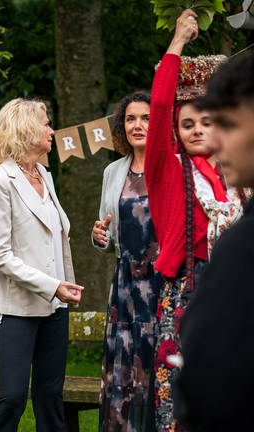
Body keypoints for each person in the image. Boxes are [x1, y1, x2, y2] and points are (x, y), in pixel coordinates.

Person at [144, 10, 246, 432]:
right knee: (183, 398)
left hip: (236, 289)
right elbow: (162, 103)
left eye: (207, 121)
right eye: (187, 124)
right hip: (186, 292)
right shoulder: (167, 169)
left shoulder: (236, 175)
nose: (197, 130)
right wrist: (178, 43)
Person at [0, 98, 84, 431]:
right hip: (16, 307)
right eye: (45, 123)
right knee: (11, 396)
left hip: (55, 306)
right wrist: (52, 285)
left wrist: (62, 286)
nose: (51, 130)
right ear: (24, 129)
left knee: (50, 394)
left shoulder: (44, 175)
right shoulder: (0, 181)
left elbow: (52, 241)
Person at [173, 50, 254, 432]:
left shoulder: (244, 246)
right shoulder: (176, 172)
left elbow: (211, 386)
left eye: (228, 124)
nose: (214, 140)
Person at [92, 90, 163, 431]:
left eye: (146, 118)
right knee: (121, 370)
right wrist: (99, 237)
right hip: (124, 286)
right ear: (122, 126)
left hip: (161, 282)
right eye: (131, 118)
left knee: (155, 364)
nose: (138, 125)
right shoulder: (112, 172)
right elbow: (106, 235)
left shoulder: (171, 166)